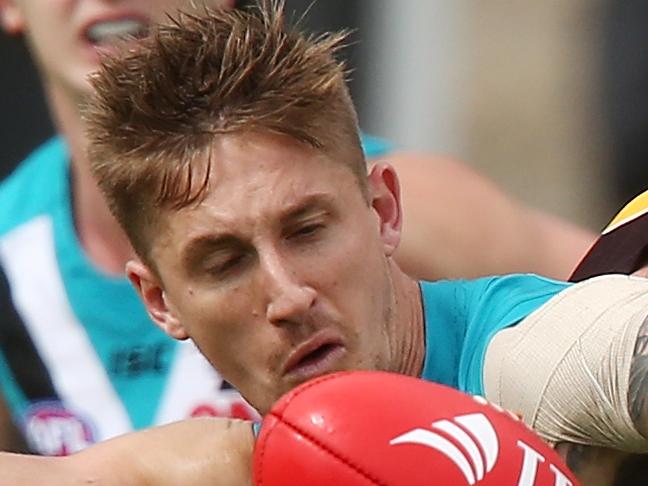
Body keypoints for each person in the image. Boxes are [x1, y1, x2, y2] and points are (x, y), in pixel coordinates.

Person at [0, 3, 641, 484]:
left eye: (307, 231)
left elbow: (604, 345)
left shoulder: (527, 358)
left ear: (385, 209)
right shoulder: (207, 463)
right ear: (160, 300)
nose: (287, 295)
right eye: (225, 264)